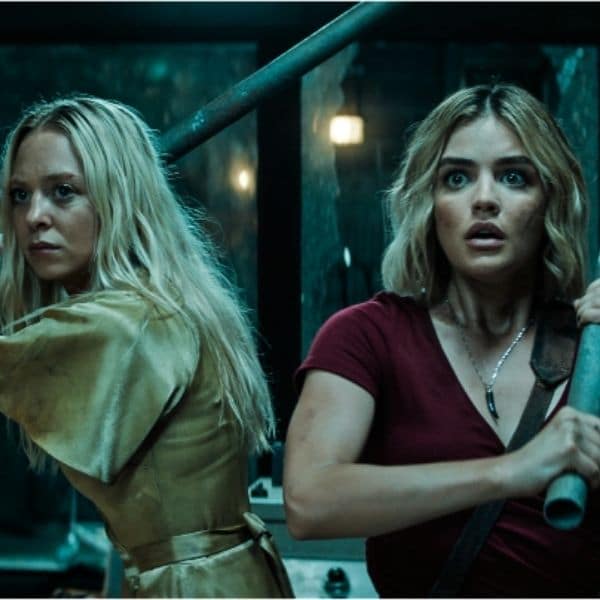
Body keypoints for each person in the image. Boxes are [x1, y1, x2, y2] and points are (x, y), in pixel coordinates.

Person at [284, 83, 600, 597]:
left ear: (550, 201)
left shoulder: (592, 350)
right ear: (429, 203)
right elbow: (309, 502)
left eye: (514, 177)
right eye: (457, 178)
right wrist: (513, 471)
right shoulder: (367, 337)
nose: (484, 199)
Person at [0, 95, 292, 598]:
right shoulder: (162, 303)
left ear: (119, 196)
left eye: (63, 192)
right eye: (20, 195)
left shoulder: (129, 322)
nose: (33, 217)